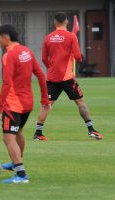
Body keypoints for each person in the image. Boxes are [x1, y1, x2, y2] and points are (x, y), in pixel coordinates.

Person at [33, 12, 103, 140]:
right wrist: (78, 59)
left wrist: (52, 67)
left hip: (52, 77)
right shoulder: (71, 36)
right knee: (80, 102)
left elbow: (43, 58)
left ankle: (38, 133)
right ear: (66, 22)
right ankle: (91, 130)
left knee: (46, 105)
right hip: (67, 77)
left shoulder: (48, 37)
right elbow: (77, 56)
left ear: (55, 22)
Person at [0, 24, 49, 183]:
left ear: (6, 37)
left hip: (13, 104)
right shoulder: (27, 51)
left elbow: (6, 83)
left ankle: (21, 174)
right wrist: (45, 100)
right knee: (18, 133)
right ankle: (17, 162)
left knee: (8, 137)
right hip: (27, 104)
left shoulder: (9, 55)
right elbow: (40, 74)